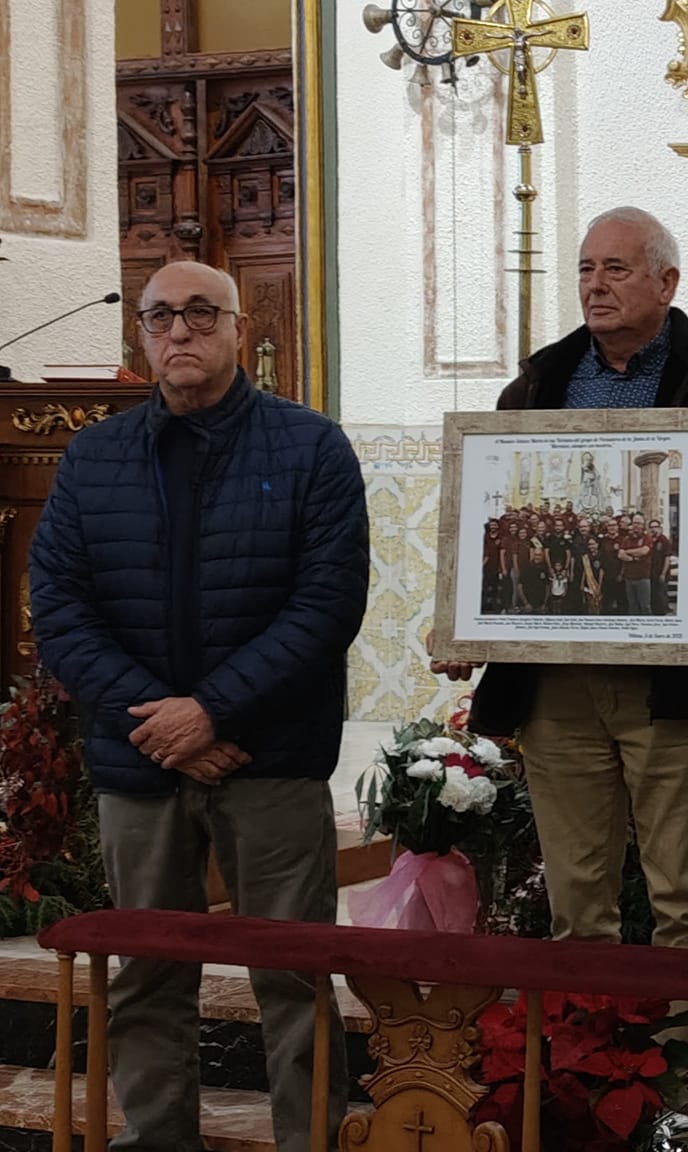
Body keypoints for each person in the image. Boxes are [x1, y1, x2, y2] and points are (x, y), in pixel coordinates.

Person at [436, 206, 688, 1107]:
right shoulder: (536, 387)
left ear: (667, 284)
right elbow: (497, 527)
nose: (596, 286)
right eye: (586, 270)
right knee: (577, 907)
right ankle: (587, 1080)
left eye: (617, 270)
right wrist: (465, 617)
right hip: (555, 688)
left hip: (671, 688)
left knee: (684, 900)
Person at [29, 260, 367, 1152]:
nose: (179, 332)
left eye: (199, 314)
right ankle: (159, 1138)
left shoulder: (311, 447)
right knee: (146, 974)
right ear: (139, 336)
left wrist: (214, 713)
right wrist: (165, 722)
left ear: (238, 326)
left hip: (270, 758)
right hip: (138, 761)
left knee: (293, 974)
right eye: (160, 317)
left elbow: (326, 605)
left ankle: (311, 1141)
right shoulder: (94, 455)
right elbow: (58, 607)